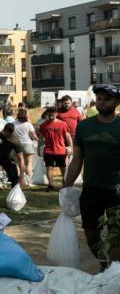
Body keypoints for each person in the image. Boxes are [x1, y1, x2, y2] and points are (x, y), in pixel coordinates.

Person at [64, 84, 120, 270]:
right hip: (91, 190)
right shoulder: (84, 126)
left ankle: (113, 271)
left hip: (117, 192)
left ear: (117, 103)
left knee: (116, 234)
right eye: (99, 98)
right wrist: (66, 187)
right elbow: (77, 160)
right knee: (90, 233)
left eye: (107, 99)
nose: (102, 102)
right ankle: (104, 263)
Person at [0, 123, 26, 206]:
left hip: (6, 159)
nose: (10, 135)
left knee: (14, 176)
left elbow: (21, 159)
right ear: (4, 130)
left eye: (12, 133)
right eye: (8, 133)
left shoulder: (15, 141)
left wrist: (21, 176)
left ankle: (14, 199)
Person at [38, 107, 72, 191]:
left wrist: (71, 147)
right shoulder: (43, 125)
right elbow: (41, 138)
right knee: (49, 167)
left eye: (53, 115)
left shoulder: (63, 124)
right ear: (46, 115)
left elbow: (67, 136)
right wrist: (38, 148)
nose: (51, 117)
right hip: (48, 150)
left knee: (63, 168)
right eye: (49, 115)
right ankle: (51, 185)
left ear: (56, 114)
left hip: (60, 150)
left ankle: (65, 183)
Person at [12, 108, 38, 181]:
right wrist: (36, 139)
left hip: (17, 145)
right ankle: (30, 180)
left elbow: (12, 135)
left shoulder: (13, 124)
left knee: (17, 164)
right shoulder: (28, 124)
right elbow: (34, 136)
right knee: (28, 165)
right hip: (27, 144)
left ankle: (19, 180)